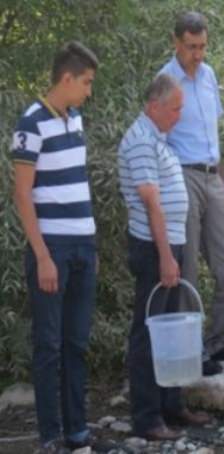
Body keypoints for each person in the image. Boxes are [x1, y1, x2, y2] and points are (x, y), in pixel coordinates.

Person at [12, 41, 99, 454]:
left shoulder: (76, 117)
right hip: (53, 250)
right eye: (85, 82)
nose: (88, 91)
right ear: (67, 78)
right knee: (49, 346)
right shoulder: (30, 122)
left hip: (85, 245)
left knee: (77, 344)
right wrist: (43, 256)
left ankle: (78, 432)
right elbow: (22, 196)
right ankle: (50, 437)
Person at [118, 74, 210, 441]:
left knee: (171, 330)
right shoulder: (141, 140)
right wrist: (165, 257)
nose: (179, 115)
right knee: (148, 332)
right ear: (154, 106)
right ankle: (147, 417)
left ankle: (172, 405)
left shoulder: (160, 139)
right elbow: (151, 201)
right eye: (175, 109)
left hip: (170, 243)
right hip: (153, 247)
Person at [159, 11, 224, 373]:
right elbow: (157, 135)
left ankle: (217, 343)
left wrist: (223, 181)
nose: (198, 54)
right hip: (182, 176)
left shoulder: (208, 75)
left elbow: (213, 133)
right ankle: (192, 353)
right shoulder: (165, 79)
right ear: (177, 43)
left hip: (212, 176)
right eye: (191, 47)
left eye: (203, 46)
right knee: (188, 268)